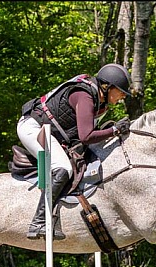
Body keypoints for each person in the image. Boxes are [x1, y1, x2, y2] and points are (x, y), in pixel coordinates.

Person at [18, 63, 132, 240]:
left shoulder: (99, 102)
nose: (123, 96)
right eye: (121, 91)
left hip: (53, 133)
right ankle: (39, 221)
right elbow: (86, 136)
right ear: (107, 86)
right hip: (33, 128)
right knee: (64, 167)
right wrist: (115, 130)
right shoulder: (84, 95)